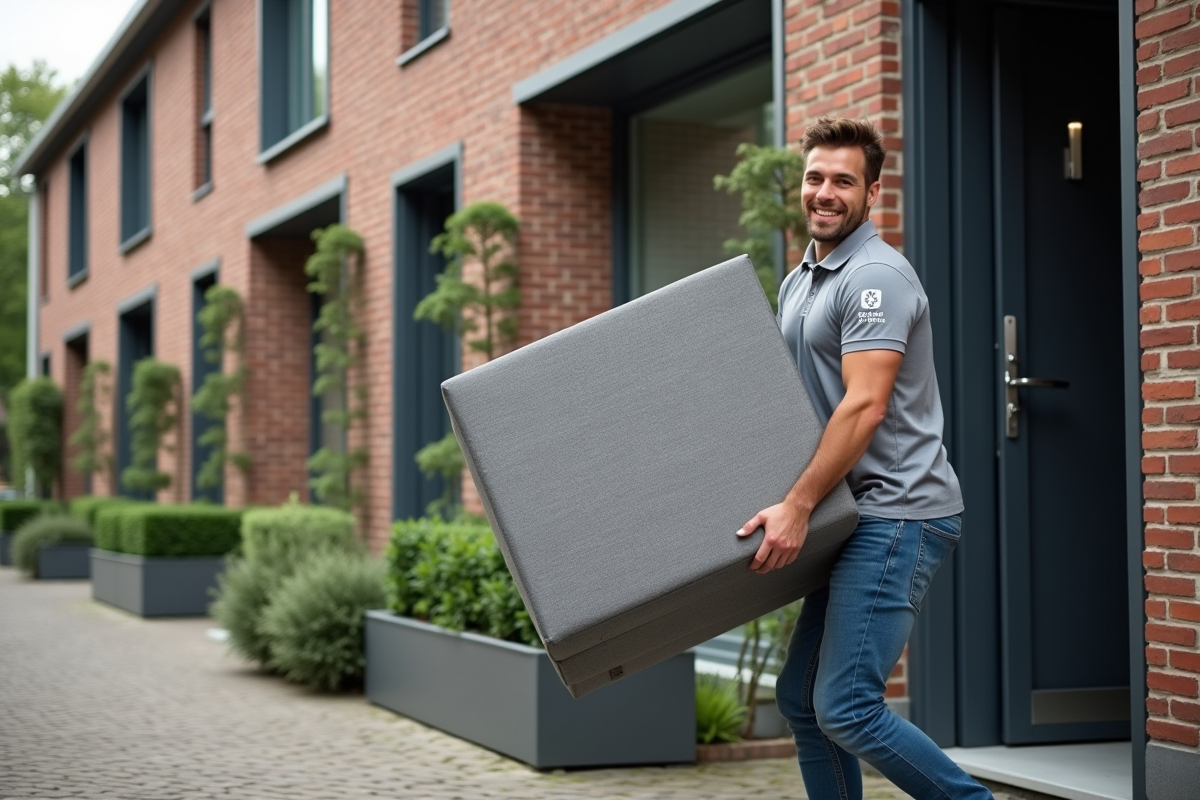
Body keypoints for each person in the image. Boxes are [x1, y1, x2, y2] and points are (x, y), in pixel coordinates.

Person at [736, 117, 993, 800]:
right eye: (815, 177)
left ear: (872, 191)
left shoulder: (876, 276)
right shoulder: (802, 280)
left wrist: (796, 506)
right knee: (803, 699)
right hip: (851, 512)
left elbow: (863, 407)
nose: (825, 192)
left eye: (843, 180)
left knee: (846, 704)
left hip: (898, 510)